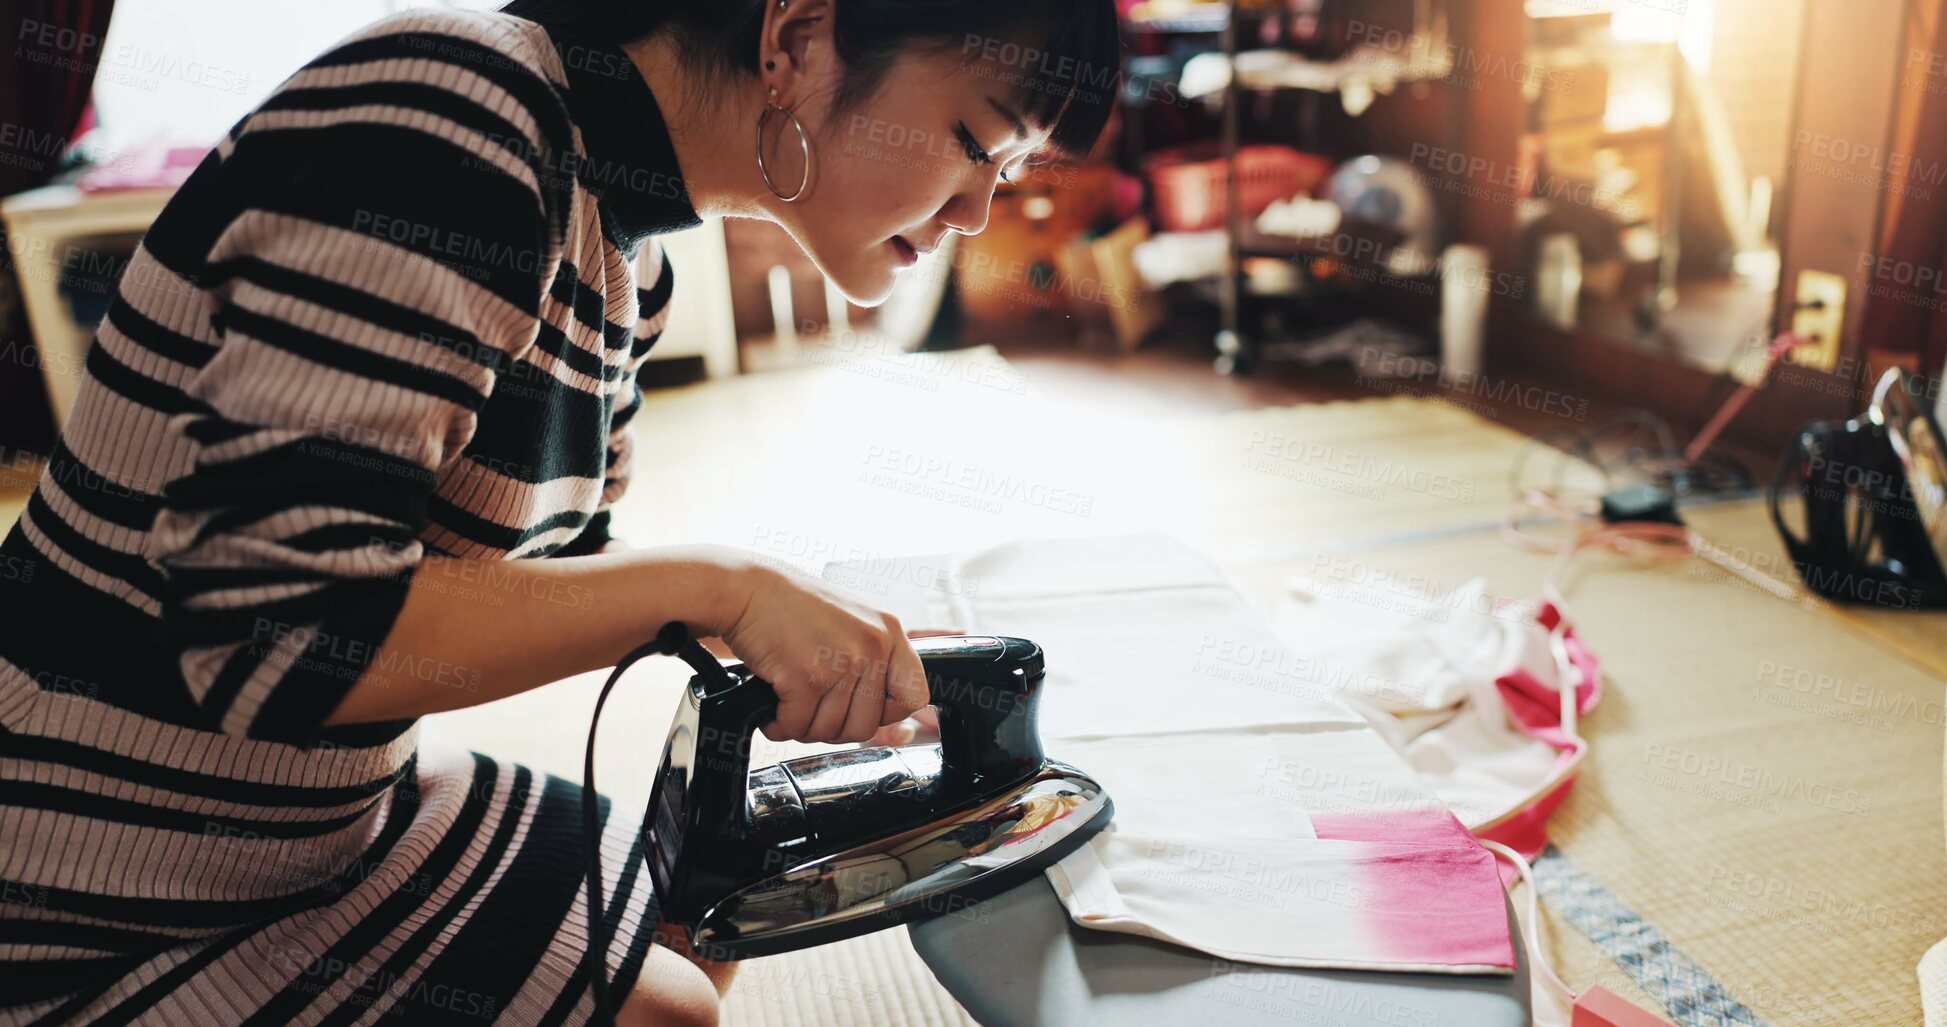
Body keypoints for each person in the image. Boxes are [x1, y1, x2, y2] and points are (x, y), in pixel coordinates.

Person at [0, 0, 1119, 1023]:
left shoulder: (622, 241)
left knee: (698, 896)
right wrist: (717, 585)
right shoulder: (451, 115)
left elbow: (550, 569)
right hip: (92, 873)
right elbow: (277, 632)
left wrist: (775, 624)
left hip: (312, 816)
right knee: (664, 1002)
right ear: (797, 36)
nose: (982, 210)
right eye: (979, 142)